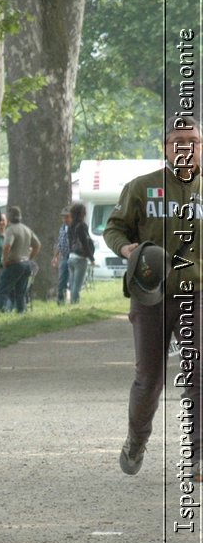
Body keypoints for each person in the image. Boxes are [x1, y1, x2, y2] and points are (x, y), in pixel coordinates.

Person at [104, 120, 203, 474]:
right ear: (165, 148)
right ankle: (137, 441)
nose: (185, 147)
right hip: (150, 295)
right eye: (177, 141)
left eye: (192, 141)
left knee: (198, 372)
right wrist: (125, 247)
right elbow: (114, 227)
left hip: (197, 293)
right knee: (150, 378)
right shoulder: (142, 188)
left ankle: (197, 455)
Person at [0, 206, 40, 313]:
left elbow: (7, 245)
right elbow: (37, 245)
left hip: (14, 264)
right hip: (26, 264)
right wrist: (29, 258)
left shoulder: (11, 230)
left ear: (9, 217)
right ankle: (21, 312)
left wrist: (4, 259)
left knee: (2, 289)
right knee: (21, 292)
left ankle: (0, 311)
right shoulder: (26, 229)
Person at [64, 202, 94, 304]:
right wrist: (91, 258)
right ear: (82, 214)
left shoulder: (70, 227)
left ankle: (72, 302)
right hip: (80, 259)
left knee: (72, 284)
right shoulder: (82, 226)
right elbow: (85, 243)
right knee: (77, 285)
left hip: (71, 257)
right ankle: (75, 304)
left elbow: (69, 242)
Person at [52, 207, 73, 302]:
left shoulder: (75, 227)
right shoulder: (62, 228)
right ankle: (60, 300)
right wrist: (55, 256)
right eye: (63, 217)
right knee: (62, 279)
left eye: (67, 217)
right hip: (64, 256)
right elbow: (59, 243)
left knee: (72, 279)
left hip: (73, 255)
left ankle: (73, 300)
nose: (65, 219)